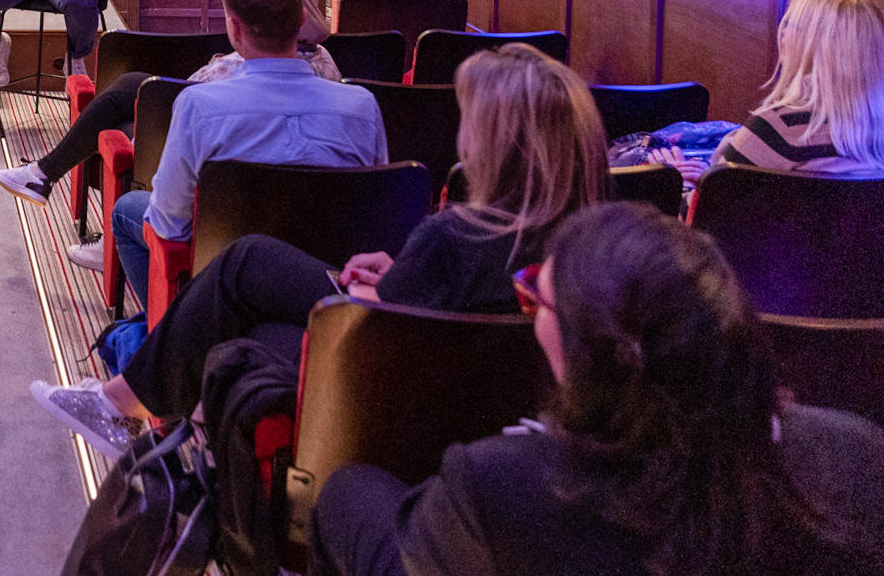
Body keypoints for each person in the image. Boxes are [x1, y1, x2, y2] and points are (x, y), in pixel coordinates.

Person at [298, 202, 884, 576]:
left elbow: (428, 568)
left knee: (351, 499)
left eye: (532, 297)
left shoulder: (501, 486)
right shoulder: (860, 458)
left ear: (586, 347)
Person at [34, 42, 607, 455]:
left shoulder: (459, 236)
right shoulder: (589, 243)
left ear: (498, 145)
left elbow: (384, 333)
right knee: (248, 266)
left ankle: (121, 400)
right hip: (481, 395)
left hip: (385, 390)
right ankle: (128, 397)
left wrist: (370, 291)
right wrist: (394, 275)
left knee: (243, 303)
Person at [69, 0, 385, 296]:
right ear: (303, 19)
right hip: (325, 279)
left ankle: (171, 331)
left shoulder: (199, 104)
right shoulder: (363, 106)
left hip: (224, 278)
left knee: (126, 210)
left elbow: (168, 224)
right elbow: (376, 205)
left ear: (234, 29)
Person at [0, 0, 340, 208]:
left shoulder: (220, 79)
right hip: (309, 217)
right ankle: (42, 174)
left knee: (130, 118)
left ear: (234, 29)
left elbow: (174, 123)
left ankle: (54, 182)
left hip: (215, 206)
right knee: (134, 88)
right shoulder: (340, 81)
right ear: (304, 16)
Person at [656, 0, 884, 184]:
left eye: (789, 25)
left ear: (814, 45)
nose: (781, 33)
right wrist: (711, 180)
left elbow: (713, 218)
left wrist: (680, 184)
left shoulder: (780, 127)